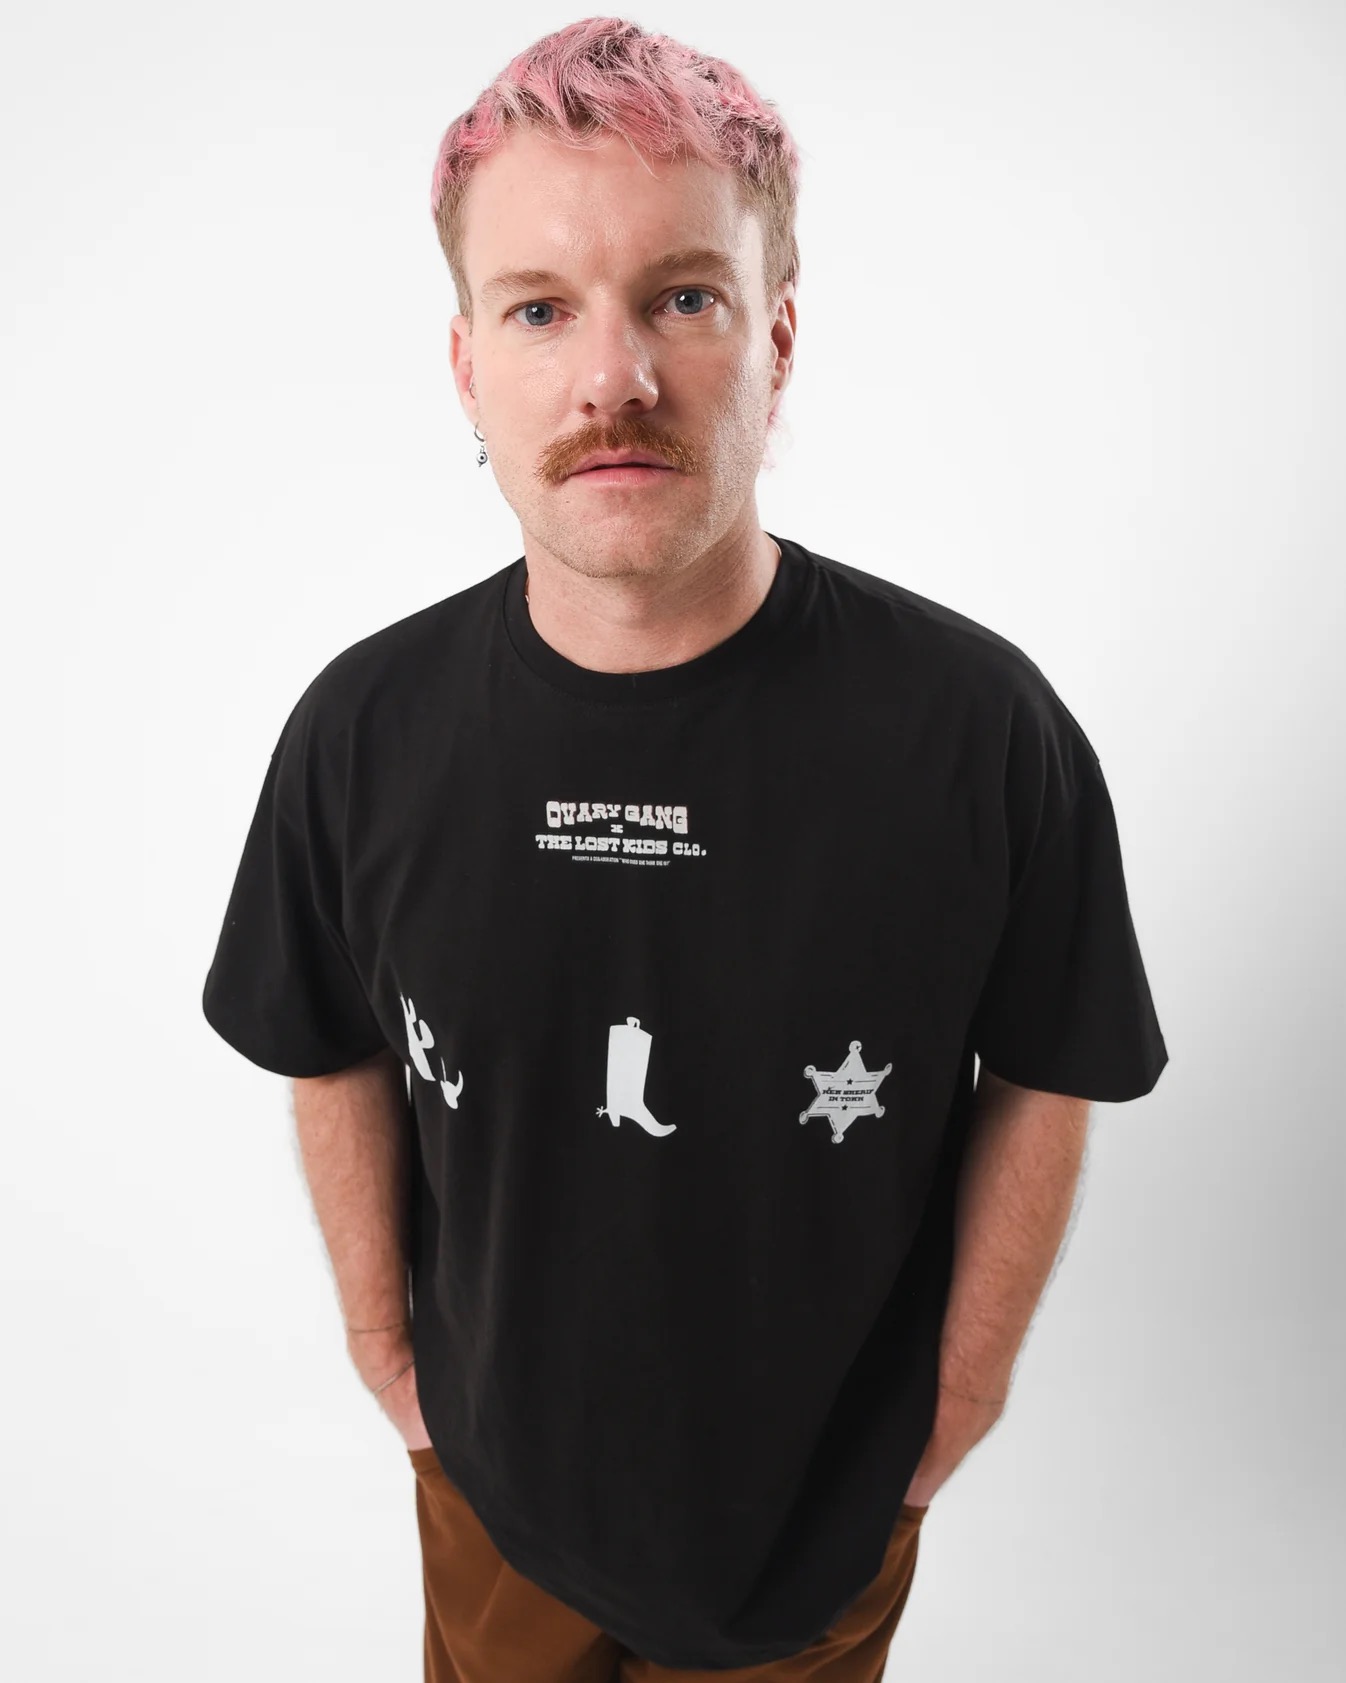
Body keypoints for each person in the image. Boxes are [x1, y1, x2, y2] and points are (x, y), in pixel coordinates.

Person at [201, 17, 1169, 1681]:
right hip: (486, 1488)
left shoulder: (978, 730)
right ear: (466, 364)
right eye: (538, 309)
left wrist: (954, 1405)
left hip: (819, 1517)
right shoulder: (362, 730)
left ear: (775, 337)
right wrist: (388, 1363)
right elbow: (326, 1041)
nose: (612, 381)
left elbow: (1051, 1065)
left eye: (681, 299)